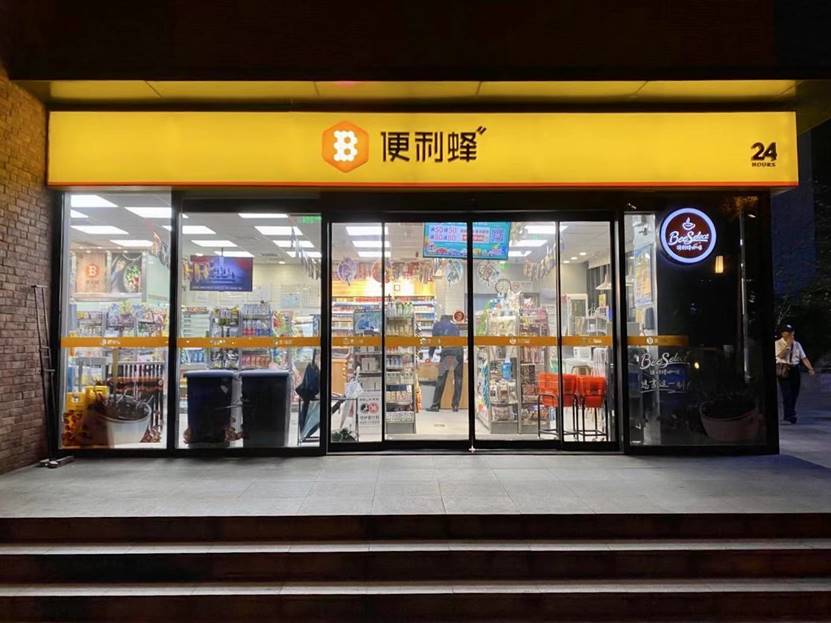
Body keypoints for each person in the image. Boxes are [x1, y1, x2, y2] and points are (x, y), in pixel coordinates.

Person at [775, 324, 816, 424]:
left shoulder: (797, 344)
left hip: (795, 369)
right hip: (784, 369)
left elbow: (803, 358)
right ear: (783, 333)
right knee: (787, 393)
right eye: (787, 332)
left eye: (791, 332)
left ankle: (791, 412)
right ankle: (789, 415)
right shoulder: (777, 343)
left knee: (794, 393)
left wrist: (810, 368)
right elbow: (780, 355)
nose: (790, 334)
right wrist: (788, 346)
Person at [426, 314, 464, 412]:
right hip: (459, 351)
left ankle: (435, 405)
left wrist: (430, 356)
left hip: (448, 352)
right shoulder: (455, 326)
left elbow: (433, 342)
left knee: (441, 379)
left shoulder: (437, 325)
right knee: (458, 379)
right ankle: (455, 405)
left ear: (441, 319)